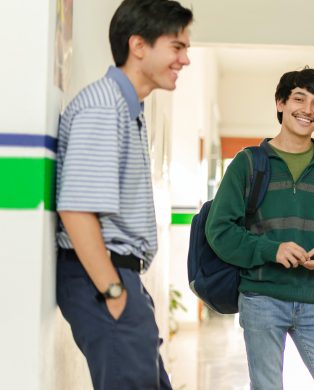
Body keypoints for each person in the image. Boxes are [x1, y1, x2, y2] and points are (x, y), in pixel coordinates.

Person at [55, 0, 192, 388]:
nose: (185, 60)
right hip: (101, 278)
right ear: (139, 46)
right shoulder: (103, 106)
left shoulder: (127, 108)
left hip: (119, 277)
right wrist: (113, 289)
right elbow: (77, 210)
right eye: (177, 47)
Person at [205, 67, 314, 390]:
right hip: (261, 297)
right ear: (280, 103)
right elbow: (219, 230)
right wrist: (271, 249)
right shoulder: (247, 163)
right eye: (299, 99)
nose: (307, 110)